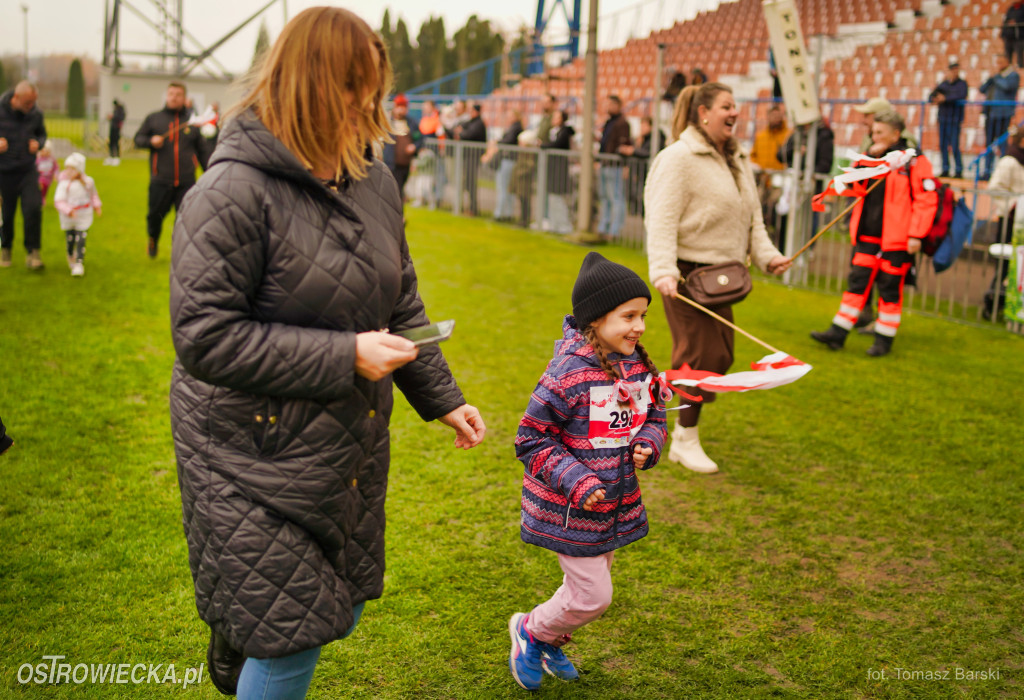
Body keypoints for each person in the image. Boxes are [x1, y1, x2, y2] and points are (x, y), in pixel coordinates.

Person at [168, 8, 486, 698]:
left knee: (345, 605)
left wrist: (445, 398)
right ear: (312, 83)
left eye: (373, 86)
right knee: (294, 633)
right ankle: (248, 636)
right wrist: (343, 356)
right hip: (243, 450)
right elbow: (204, 336)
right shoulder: (230, 193)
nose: (369, 104)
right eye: (355, 87)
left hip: (345, 445)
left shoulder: (373, 178)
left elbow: (400, 301)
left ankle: (238, 632)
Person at [508, 251, 667, 691]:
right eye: (628, 316)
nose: (639, 326)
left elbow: (655, 415)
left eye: (643, 315)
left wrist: (648, 444)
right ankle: (531, 632)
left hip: (614, 506)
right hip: (570, 509)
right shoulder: (567, 373)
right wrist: (579, 481)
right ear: (595, 320)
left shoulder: (637, 366)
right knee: (594, 596)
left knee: (581, 591)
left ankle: (548, 640)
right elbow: (531, 438)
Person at [645, 83, 791, 473]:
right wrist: (662, 270)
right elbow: (660, 218)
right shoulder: (678, 157)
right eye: (727, 106)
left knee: (721, 356)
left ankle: (664, 422)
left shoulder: (736, 157)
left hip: (723, 278)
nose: (735, 113)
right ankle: (682, 439)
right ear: (703, 113)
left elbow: (752, 218)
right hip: (686, 279)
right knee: (697, 359)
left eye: (736, 107)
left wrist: (768, 257)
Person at [810, 110, 938, 357]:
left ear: (896, 134)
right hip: (867, 234)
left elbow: (926, 200)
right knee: (857, 283)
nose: (874, 136)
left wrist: (916, 235)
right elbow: (850, 182)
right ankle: (838, 332)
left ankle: (884, 339)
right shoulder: (868, 157)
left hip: (897, 239)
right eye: (873, 132)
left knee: (889, 288)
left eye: (880, 132)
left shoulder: (913, 161)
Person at [133, 81, 212, 259]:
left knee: (185, 220)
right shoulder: (154, 118)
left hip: (186, 182)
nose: (174, 97)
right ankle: (153, 239)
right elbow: (138, 139)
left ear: (184, 98)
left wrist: (209, 171)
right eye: (171, 94)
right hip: (160, 179)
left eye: (178, 95)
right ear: (166, 96)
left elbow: (202, 151)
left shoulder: (191, 123)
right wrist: (150, 141)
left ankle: (180, 252)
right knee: (155, 217)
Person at [0, 81, 47, 270]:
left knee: (33, 208)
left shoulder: (35, 114)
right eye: (28, 103)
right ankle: (6, 248)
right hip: (3, 171)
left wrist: (38, 143)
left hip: (27, 170)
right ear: (16, 98)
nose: (31, 107)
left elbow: (42, 135)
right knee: (6, 213)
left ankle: (33, 253)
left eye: (33, 103)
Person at [982, 125, 1024, 319]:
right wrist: (1015, 205)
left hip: (1021, 224)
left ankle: (1012, 304)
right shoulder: (1010, 161)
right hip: (1009, 221)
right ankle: (991, 303)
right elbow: (996, 187)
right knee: (1004, 265)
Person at [54, 152, 102, 277]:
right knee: (70, 239)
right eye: (67, 168)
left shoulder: (88, 182)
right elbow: (59, 201)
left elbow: (93, 195)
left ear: (79, 170)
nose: (69, 171)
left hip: (83, 215)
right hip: (69, 218)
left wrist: (97, 206)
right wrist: (68, 211)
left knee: (81, 239)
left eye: (72, 169)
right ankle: (70, 254)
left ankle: (79, 263)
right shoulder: (64, 184)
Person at [979, 55, 1021, 180]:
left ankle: (1001, 173)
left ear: (1007, 62)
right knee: (989, 144)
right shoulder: (996, 76)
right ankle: (987, 171)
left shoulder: (1013, 76)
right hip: (990, 114)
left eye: (1001, 62)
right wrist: (991, 79)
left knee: (1002, 143)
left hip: (1003, 114)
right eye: (997, 62)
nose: (998, 65)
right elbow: (982, 89)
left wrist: (996, 78)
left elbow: (1008, 87)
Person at [597, 95, 631, 239]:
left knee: (615, 198)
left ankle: (614, 230)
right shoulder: (609, 122)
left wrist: (625, 165)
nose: (608, 107)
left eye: (611, 104)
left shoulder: (622, 123)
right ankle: (604, 227)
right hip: (605, 164)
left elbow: (624, 145)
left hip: (615, 166)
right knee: (605, 198)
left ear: (618, 105)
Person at [929, 60, 969, 178]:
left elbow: (961, 95)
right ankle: (945, 169)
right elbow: (932, 96)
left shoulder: (962, 84)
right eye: (952, 69)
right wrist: (936, 99)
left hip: (955, 119)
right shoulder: (943, 84)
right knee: (943, 145)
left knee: (955, 145)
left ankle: (958, 170)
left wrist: (945, 98)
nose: (954, 72)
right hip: (943, 118)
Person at [622, 116, 665, 215]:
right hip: (641, 174)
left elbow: (650, 153)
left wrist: (633, 151)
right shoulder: (642, 139)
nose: (642, 129)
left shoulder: (657, 138)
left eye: (644, 126)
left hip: (650, 174)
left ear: (651, 127)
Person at [541, 109, 575, 233]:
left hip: (559, 169)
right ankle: (555, 224)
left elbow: (557, 144)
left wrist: (543, 145)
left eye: (556, 117)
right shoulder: (554, 131)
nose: (553, 119)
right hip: (553, 168)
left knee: (558, 198)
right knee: (552, 198)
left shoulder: (564, 131)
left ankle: (564, 226)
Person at [383, 94, 420, 201]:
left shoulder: (411, 122)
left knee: (400, 189)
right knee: (396, 190)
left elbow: (419, 137)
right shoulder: (389, 121)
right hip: (391, 162)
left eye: (404, 107)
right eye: (399, 106)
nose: (401, 109)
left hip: (406, 163)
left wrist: (414, 146)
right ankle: (399, 216)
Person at [489, 109, 523, 223]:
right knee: (506, 188)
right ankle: (507, 213)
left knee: (503, 188)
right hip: (508, 160)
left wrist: (498, 142)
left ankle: (499, 213)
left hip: (508, 160)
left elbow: (508, 140)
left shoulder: (516, 127)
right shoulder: (513, 127)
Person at [853, 97, 918, 154]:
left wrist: (890, 148)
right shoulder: (868, 136)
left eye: (866, 116)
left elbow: (910, 158)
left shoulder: (904, 137)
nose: (863, 121)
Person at [456, 103, 486, 216]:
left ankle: (473, 209)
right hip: (468, 157)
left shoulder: (479, 123)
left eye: (471, 111)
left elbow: (468, 134)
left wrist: (461, 132)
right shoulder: (472, 122)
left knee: (471, 183)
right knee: (468, 183)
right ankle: (469, 207)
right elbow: (462, 126)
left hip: (473, 157)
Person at [659, 71, 687, 146]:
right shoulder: (682, 89)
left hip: (674, 113)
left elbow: (665, 96)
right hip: (674, 113)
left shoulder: (674, 89)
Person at [1002, 1, 1024, 68]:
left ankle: (1021, 72)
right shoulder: (1011, 8)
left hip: (1019, 37)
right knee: (1007, 57)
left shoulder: (1022, 8)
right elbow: (1005, 20)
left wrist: (1016, 22)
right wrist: (1003, 34)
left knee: (1019, 57)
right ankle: (1008, 73)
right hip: (1009, 36)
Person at [106, 99, 126, 165]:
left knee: (116, 143)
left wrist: (113, 117)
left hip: (116, 129)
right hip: (112, 128)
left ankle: (117, 157)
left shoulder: (120, 110)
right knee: (111, 143)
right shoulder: (116, 110)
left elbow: (120, 118)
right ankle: (111, 156)